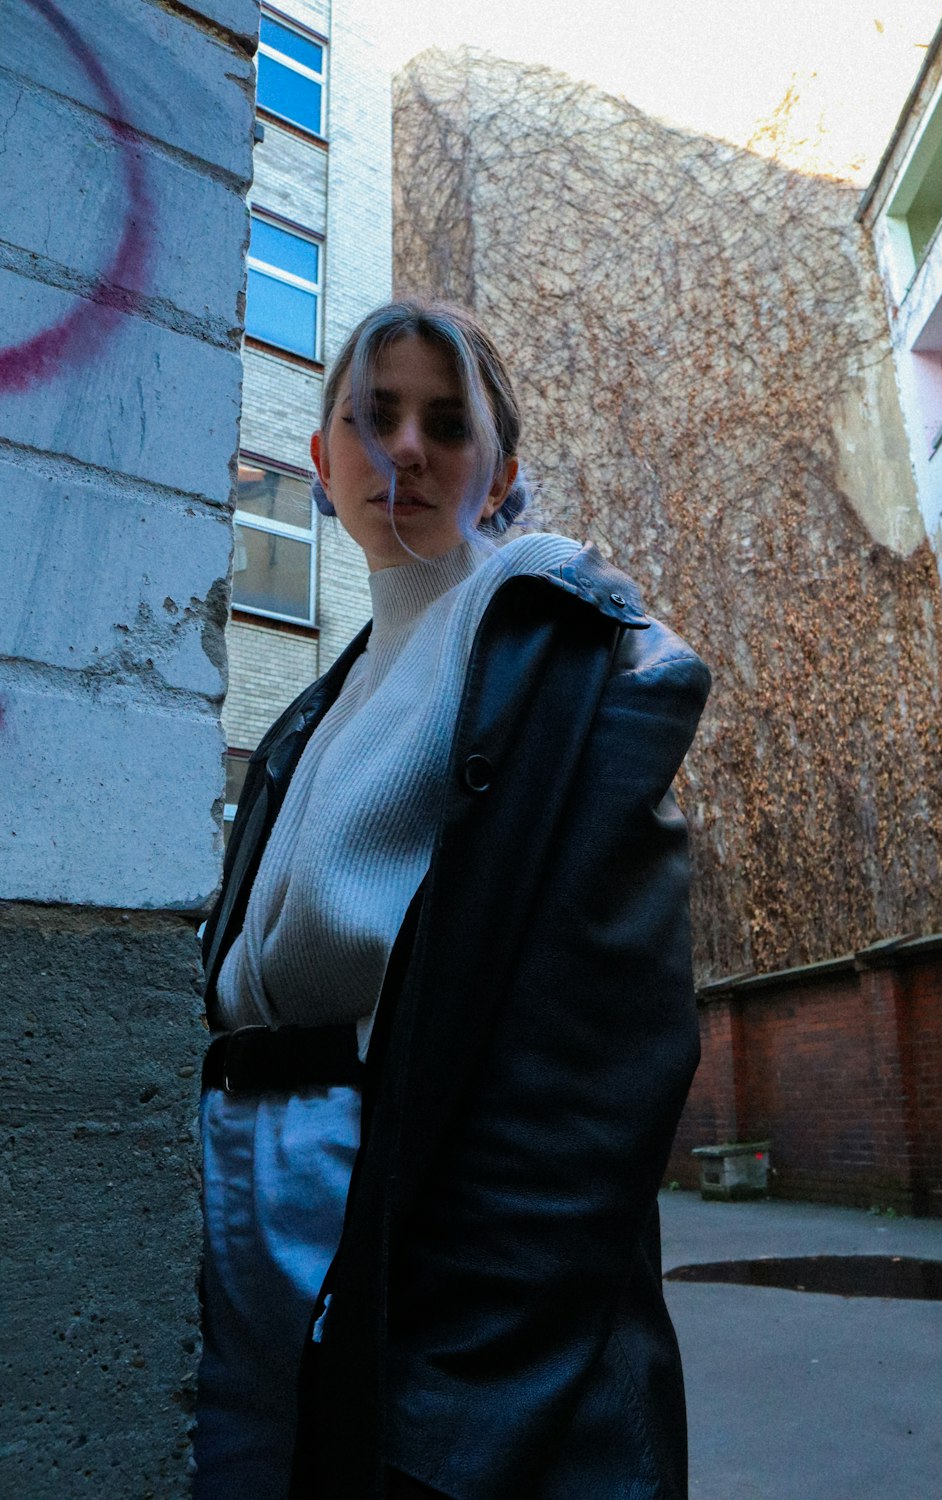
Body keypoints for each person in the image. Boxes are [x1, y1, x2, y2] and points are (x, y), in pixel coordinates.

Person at [195, 298, 711, 1500]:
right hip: (247, 1189)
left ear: (502, 472)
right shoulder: (318, 708)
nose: (405, 450)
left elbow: (597, 1063)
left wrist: (470, 1377)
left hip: (387, 1193)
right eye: (371, 419)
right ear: (321, 463)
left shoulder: (560, 643)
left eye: (445, 421)